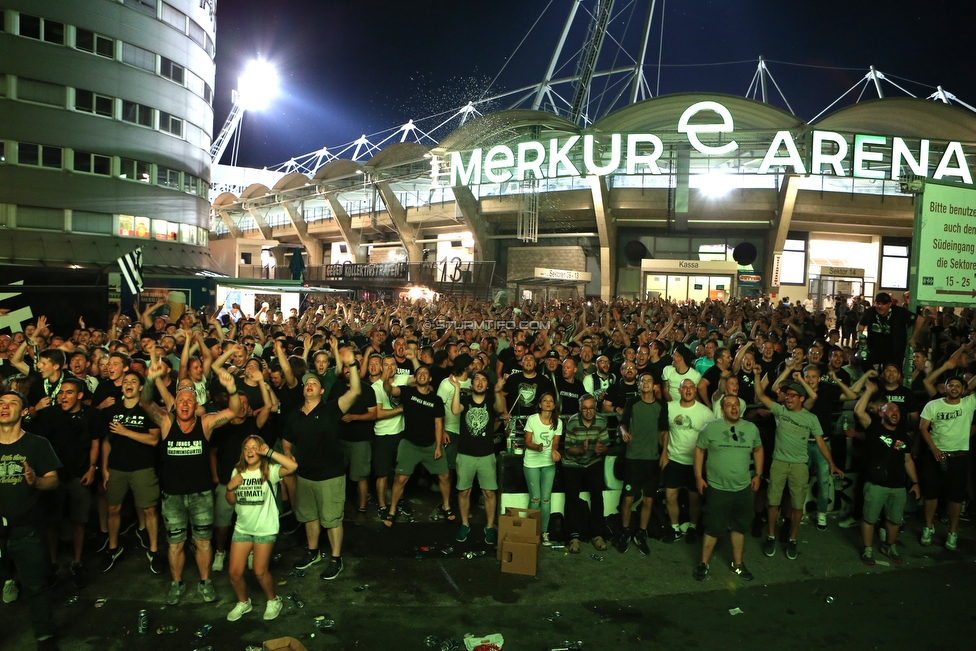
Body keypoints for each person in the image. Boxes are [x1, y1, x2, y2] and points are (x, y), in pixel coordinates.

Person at [141, 363, 240, 604]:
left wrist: (233, 390)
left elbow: (234, 411)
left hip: (201, 496)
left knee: (203, 542)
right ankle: (177, 584)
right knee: (175, 544)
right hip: (173, 495)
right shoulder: (166, 422)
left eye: (189, 401)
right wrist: (149, 381)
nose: (185, 404)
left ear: (196, 406)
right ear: (175, 405)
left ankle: (205, 582)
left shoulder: (205, 424)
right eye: (181, 400)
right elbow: (145, 404)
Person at [281, 348, 362, 580]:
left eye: (314, 383)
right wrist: (287, 451)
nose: (309, 385)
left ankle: (336, 558)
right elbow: (287, 439)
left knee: (332, 520)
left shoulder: (331, 409)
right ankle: (313, 552)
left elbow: (355, 390)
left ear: (322, 390)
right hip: (305, 476)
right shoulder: (295, 415)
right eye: (306, 384)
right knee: (309, 517)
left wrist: (352, 364)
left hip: (330, 476)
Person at [754, 371, 843, 560]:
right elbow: (761, 395)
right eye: (786, 395)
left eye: (792, 395)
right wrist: (756, 375)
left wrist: (832, 464)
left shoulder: (810, 418)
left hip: (799, 466)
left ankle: (793, 539)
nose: (787, 398)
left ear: (801, 398)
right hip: (779, 463)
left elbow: (820, 442)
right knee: (773, 502)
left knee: (796, 505)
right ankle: (771, 535)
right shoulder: (780, 410)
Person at [0, 390, 61, 649]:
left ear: (24, 412)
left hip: (26, 529)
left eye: (12, 403)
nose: (4, 407)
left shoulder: (37, 443)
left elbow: (53, 481)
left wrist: (36, 481)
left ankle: (44, 637)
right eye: (0, 403)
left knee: (36, 587)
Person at [224, 435, 298, 622]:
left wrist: (270, 452)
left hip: (265, 529)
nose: (250, 451)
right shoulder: (237, 471)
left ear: (261, 450)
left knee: (259, 571)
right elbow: (230, 501)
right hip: (243, 528)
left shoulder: (269, 471)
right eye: (246, 448)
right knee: (234, 572)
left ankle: (273, 600)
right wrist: (230, 488)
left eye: (254, 447)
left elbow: (293, 467)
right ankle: (244, 602)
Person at [693, 395, 764, 581]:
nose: (734, 408)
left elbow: (758, 449)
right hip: (717, 488)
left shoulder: (751, 429)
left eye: (736, 405)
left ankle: (737, 564)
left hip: (743, 488)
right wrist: (699, 477)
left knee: (740, 527)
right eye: (729, 405)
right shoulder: (711, 428)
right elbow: (699, 450)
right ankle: (703, 563)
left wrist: (758, 474)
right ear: (722, 410)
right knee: (713, 527)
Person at [100, 370, 162, 574]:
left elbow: (154, 439)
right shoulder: (111, 410)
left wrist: (126, 431)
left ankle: (153, 550)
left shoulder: (148, 409)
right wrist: (104, 469)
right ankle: (113, 547)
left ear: (141, 387)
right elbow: (106, 442)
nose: (128, 384)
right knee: (113, 510)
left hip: (143, 466)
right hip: (116, 467)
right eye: (125, 381)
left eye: (133, 381)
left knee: (150, 510)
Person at [852, 387, 919, 565]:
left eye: (897, 410)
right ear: (881, 413)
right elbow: (858, 411)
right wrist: (869, 391)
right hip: (875, 484)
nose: (894, 412)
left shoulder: (903, 436)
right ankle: (867, 549)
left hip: (897, 486)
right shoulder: (873, 428)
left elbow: (908, 461)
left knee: (895, 519)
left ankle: (889, 545)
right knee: (869, 519)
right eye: (890, 409)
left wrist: (915, 482)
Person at [919, 356, 976, 550]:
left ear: (963, 389)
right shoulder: (933, 405)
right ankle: (928, 527)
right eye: (950, 385)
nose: (954, 388)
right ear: (945, 387)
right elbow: (923, 428)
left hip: (958, 458)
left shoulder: (969, 404)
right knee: (931, 495)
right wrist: (934, 448)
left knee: (956, 497)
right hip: (935, 456)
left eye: (957, 386)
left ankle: (952, 531)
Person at [382, 365, 449, 526]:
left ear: (430, 378)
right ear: (416, 377)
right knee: (400, 478)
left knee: (445, 476)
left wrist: (438, 447)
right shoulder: (407, 392)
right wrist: (386, 376)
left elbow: (439, 425)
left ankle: (446, 506)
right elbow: (389, 389)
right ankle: (392, 510)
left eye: (426, 373)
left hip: (431, 444)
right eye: (419, 373)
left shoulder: (436, 400)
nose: (422, 375)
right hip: (410, 444)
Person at [616, 373, 669, 555]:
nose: (645, 383)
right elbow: (622, 423)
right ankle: (625, 532)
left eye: (649, 380)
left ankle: (641, 533)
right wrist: (624, 432)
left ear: (654, 385)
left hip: (652, 458)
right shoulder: (632, 402)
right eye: (642, 381)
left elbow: (664, 430)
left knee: (648, 499)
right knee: (628, 498)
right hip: (633, 457)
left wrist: (664, 452)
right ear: (638, 385)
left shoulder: (662, 405)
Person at [660, 378, 714, 544]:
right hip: (673, 458)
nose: (689, 390)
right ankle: (675, 528)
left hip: (695, 463)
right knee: (670, 496)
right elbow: (662, 431)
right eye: (685, 388)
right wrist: (664, 452)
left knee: (694, 498)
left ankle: (692, 526)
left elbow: (711, 440)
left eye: (692, 388)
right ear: (679, 390)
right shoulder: (669, 408)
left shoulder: (706, 413)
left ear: (695, 390)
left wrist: (705, 462)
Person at [450, 371, 502, 544]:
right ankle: (465, 524)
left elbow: (500, 409)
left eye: (483, 380)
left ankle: (489, 526)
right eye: (477, 380)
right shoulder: (465, 400)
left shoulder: (491, 400)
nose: (480, 383)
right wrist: (457, 388)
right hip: (465, 454)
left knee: (489, 492)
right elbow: (455, 410)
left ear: (487, 384)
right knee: (464, 491)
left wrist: (497, 391)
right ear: (471, 385)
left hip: (486, 455)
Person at [561, 394, 611, 553]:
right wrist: (581, 449)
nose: (589, 412)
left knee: (597, 496)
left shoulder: (601, 421)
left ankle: (597, 534)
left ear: (595, 408)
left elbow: (606, 445)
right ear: (580, 408)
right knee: (571, 498)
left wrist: (601, 449)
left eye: (591, 408)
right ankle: (573, 536)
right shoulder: (573, 421)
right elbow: (568, 448)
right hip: (572, 462)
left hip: (592, 461)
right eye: (585, 409)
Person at [521, 392, 562, 545]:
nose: (548, 403)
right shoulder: (532, 419)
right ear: (539, 404)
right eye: (545, 400)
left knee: (545, 499)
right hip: (531, 463)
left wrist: (554, 450)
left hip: (548, 463)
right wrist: (536, 446)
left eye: (551, 401)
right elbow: (527, 441)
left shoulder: (557, 422)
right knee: (535, 498)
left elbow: (556, 442)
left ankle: (544, 532)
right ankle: (529, 530)